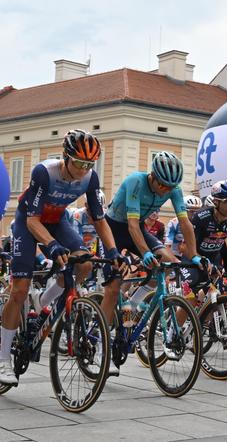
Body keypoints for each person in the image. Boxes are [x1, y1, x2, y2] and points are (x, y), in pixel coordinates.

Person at [0, 129, 126, 385]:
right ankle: (2, 360)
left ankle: (44, 301)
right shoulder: (44, 172)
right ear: (66, 157)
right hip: (29, 223)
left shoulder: (90, 178)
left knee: (85, 264)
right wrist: (52, 245)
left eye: (89, 164)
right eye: (79, 163)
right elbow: (33, 221)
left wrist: (112, 251)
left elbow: (99, 221)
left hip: (57, 221)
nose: (83, 169)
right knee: (19, 290)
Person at [101, 151, 205, 372]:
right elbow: (130, 226)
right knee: (113, 287)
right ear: (153, 176)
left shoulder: (173, 189)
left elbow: (185, 224)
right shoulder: (135, 182)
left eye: (170, 187)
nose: (166, 190)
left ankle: (133, 304)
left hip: (136, 228)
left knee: (170, 263)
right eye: (163, 186)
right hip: (113, 229)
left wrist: (194, 254)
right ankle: (103, 347)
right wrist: (145, 253)